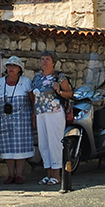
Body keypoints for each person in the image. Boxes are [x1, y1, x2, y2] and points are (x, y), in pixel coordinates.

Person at [31, 50, 72, 186]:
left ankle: (57, 174)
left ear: (53, 62)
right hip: (41, 112)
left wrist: (59, 91)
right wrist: (34, 114)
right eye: (42, 59)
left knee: (55, 142)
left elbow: (69, 93)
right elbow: (33, 97)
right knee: (44, 143)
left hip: (54, 112)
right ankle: (48, 173)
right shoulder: (37, 78)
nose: (44, 61)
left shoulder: (59, 77)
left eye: (47, 59)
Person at [0, 55, 35, 184]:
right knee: (8, 149)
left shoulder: (26, 82)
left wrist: (34, 115)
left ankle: (19, 175)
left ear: (19, 69)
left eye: (14, 66)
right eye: (9, 66)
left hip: (22, 121)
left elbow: (32, 100)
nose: (11, 68)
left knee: (20, 149)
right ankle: (10, 174)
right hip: (5, 120)